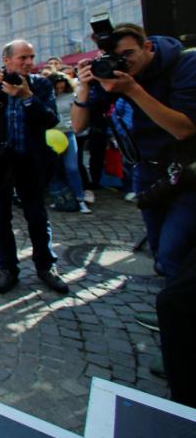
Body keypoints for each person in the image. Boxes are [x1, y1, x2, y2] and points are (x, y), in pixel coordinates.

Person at [71, 23, 196, 323]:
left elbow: (183, 129)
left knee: (172, 253)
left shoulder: (184, 64)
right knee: (160, 255)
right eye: (116, 56)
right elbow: (77, 126)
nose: (123, 63)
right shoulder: (112, 76)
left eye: (129, 54)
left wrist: (132, 89)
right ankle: (175, 313)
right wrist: (85, 86)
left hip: (187, 174)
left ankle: (179, 327)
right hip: (146, 173)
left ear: (148, 47)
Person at [0, 39, 68, 294]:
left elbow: (51, 119)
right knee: (0, 219)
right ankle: (7, 268)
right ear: (6, 60)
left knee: (37, 217)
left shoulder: (40, 84)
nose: (29, 62)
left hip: (31, 160)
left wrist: (28, 97)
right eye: (23, 58)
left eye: (31, 57)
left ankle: (46, 265)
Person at [49, 73, 92, 214]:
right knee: (55, 170)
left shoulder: (71, 95)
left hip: (68, 133)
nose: (61, 88)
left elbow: (79, 112)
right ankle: (60, 198)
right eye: (58, 85)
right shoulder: (47, 97)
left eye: (63, 84)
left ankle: (80, 199)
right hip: (51, 136)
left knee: (72, 167)